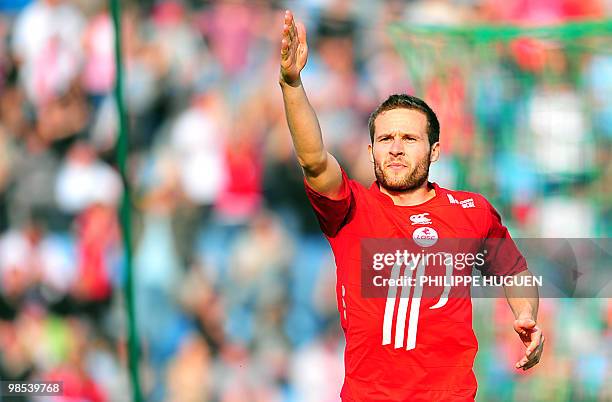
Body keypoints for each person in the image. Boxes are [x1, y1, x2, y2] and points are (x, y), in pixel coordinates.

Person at [279, 10, 544, 402]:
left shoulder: (471, 211)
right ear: (371, 150)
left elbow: (515, 271)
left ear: (434, 150)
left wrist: (526, 315)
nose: (397, 148)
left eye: (409, 138)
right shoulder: (350, 210)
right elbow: (314, 160)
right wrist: (291, 84)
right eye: (386, 139)